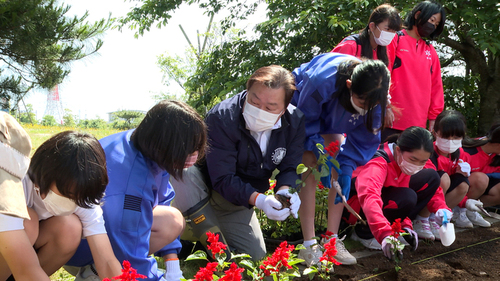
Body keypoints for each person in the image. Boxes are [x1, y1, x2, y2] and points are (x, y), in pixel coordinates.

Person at [170, 65, 305, 261]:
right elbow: (223, 178)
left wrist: (286, 190)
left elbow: (290, 166)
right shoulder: (222, 117)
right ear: (247, 91)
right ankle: (185, 231)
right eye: (254, 101)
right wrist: (260, 200)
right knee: (184, 171)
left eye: (269, 108)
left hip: (237, 201)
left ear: (284, 108)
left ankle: (202, 238)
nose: (259, 111)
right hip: (205, 189)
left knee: (255, 258)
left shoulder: (295, 122)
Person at [67, 100, 207, 281]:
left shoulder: (148, 146)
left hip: (108, 228)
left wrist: (172, 264)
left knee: (172, 219)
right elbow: (128, 243)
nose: (194, 155)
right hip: (78, 245)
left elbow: (163, 200)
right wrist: (153, 277)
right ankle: (94, 272)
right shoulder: (131, 183)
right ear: (167, 144)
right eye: (189, 149)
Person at [291, 52, 389, 266]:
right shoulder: (321, 81)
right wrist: (319, 153)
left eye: (370, 104)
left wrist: (345, 167)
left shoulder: (377, 100)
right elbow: (305, 121)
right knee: (308, 163)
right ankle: (309, 245)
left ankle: (331, 240)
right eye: (362, 100)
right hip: (305, 110)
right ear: (349, 84)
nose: (365, 107)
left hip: (337, 115)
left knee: (338, 158)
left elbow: (363, 141)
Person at [0, 111, 122, 281]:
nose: (74, 203)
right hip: (12, 247)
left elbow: (106, 259)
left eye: (80, 198)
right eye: (68, 194)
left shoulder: (81, 196)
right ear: (44, 176)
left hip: (24, 256)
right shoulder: (11, 184)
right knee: (29, 221)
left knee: (69, 227)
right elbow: (27, 270)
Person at [350, 126, 452, 257]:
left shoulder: (404, 161)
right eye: (413, 160)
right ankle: (364, 233)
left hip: (385, 199)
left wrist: (440, 208)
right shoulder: (378, 162)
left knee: (431, 177)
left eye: (423, 161)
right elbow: (369, 197)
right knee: (407, 196)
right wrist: (384, 233)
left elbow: (404, 186)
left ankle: (397, 229)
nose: (417, 165)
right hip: (356, 208)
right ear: (398, 150)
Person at [381, 1, 446, 142]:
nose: (433, 26)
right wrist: (385, 106)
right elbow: (383, 74)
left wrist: (434, 120)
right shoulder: (395, 39)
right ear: (418, 15)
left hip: (418, 126)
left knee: (411, 163)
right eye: (432, 20)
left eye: (436, 24)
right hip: (390, 120)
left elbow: (436, 88)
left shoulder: (431, 51)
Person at [332, 4, 402, 130]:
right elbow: (331, 82)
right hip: (340, 108)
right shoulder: (351, 46)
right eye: (387, 29)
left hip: (365, 110)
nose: (390, 35)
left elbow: (382, 83)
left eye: (394, 31)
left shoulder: (383, 52)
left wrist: (386, 106)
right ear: (372, 26)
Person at [463, 124, 500, 208]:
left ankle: (474, 209)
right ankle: (459, 207)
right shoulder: (468, 151)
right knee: (481, 180)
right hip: (461, 186)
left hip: (482, 188)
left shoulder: (495, 154)